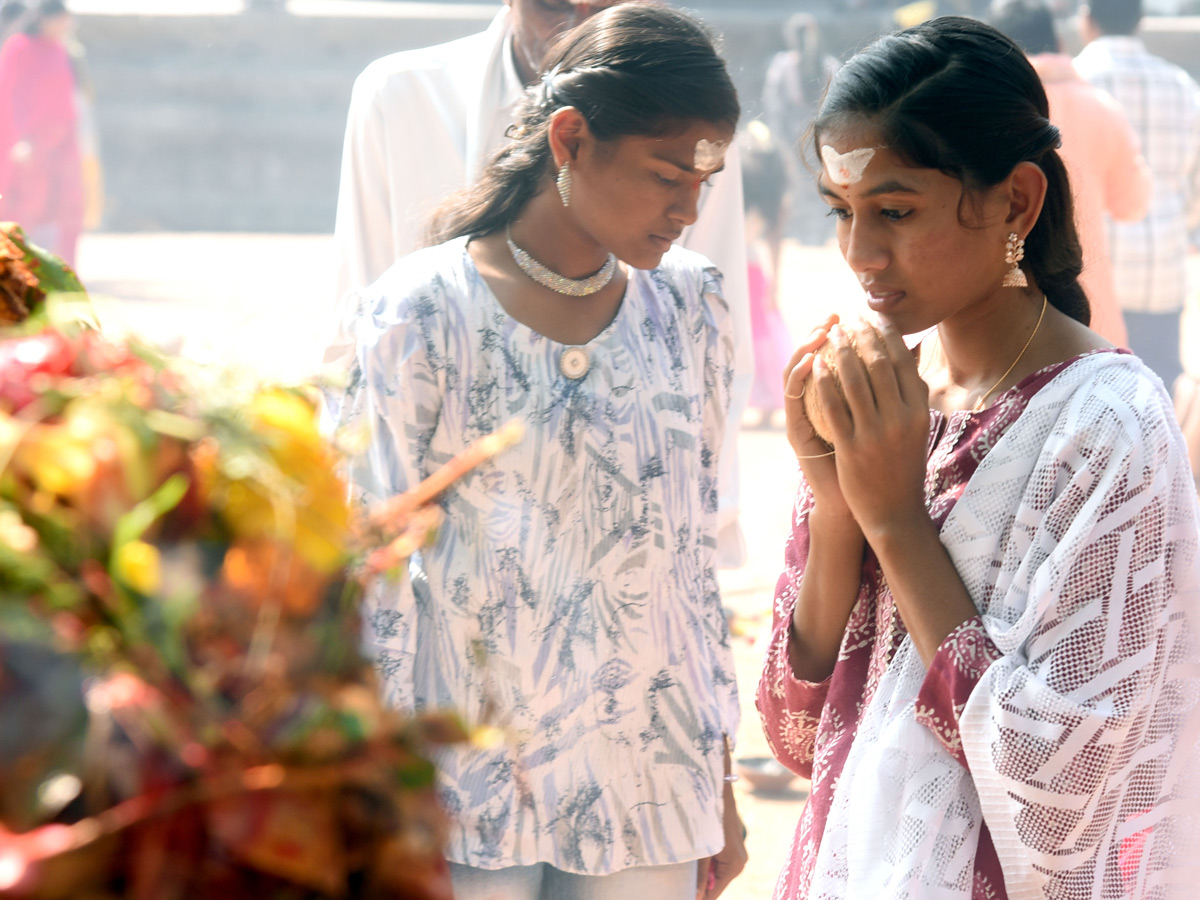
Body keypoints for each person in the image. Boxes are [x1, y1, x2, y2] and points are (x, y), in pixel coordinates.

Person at [756, 16, 1200, 899]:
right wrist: (838, 504)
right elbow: (797, 734)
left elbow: (1057, 798)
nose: (858, 253)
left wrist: (895, 520)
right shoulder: (890, 398)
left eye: (894, 210)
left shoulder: (1107, 426)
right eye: (841, 212)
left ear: (1017, 202)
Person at [326, 6, 748, 899]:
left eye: (705, 180)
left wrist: (716, 771)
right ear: (570, 139)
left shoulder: (690, 310)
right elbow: (373, 571)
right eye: (668, 174)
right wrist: (375, 790)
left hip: (649, 789)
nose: (689, 208)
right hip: (468, 790)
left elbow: (687, 569)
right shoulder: (420, 313)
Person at [330, 0, 754, 569]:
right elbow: (357, 359)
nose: (578, 23)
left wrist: (699, 555)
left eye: (605, 4)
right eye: (552, 4)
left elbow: (713, 386)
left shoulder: (691, 150)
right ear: (569, 140)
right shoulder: (400, 100)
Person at [989, 0, 1150, 348]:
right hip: (1091, 313)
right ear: (1061, 44)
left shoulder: (988, 113)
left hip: (1001, 316)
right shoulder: (1103, 107)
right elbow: (1133, 205)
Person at [1074, 0, 1200, 395]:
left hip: (1092, 276)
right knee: (1157, 401)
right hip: (1162, 273)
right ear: (1139, 20)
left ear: (1087, 19)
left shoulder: (1074, 83)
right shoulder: (1182, 85)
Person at [0, 0, 83, 267]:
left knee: (64, 207)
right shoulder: (19, 48)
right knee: (24, 207)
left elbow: (65, 99)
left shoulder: (59, 49)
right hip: (27, 143)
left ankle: (58, 274)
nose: (65, 26)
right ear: (43, 19)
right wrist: (21, 139)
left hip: (60, 143)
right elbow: (9, 95)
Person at [760, 12, 840, 246]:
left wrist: (780, 139)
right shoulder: (831, 65)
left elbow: (773, 105)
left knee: (797, 184)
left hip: (795, 138)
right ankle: (818, 233)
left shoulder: (781, 66)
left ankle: (802, 233)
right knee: (820, 182)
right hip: (823, 139)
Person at [740, 119, 795, 429]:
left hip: (742, 267)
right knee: (762, 338)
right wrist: (774, 281)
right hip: (754, 269)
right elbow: (775, 242)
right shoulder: (775, 199)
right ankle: (768, 402)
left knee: (751, 337)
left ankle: (762, 401)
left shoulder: (742, 189)